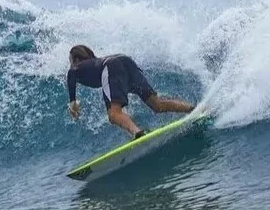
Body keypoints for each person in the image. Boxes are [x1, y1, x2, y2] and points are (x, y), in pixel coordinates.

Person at [64, 44, 195, 139]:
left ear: (76, 59)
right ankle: (192, 109)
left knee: (113, 114)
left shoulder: (77, 67)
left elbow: (71, 74)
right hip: (126, 61)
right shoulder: (94, 64)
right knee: (157, 105)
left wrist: (72, 102)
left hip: (111, 66)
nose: (70, 64)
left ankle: (138, 133)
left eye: (70, 60)